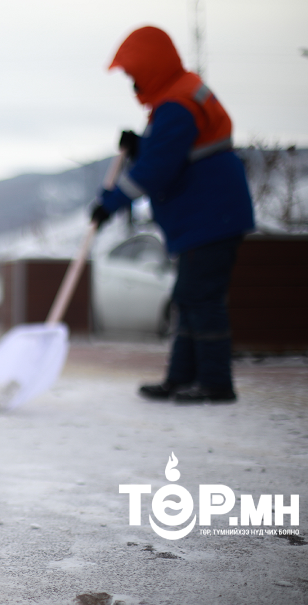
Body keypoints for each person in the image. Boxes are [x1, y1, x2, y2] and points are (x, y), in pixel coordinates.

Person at [91, 26, 255, 403]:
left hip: (211, 219)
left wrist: (110, 203)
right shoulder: (177, 95)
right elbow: (168, 154)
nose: (132, 85)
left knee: (201, 299)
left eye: (134, 76)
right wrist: (140, 146)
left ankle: (215, 384)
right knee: (189, 297)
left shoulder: (177, 106)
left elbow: (156, 170)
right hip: (207, 218)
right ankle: (180, 378)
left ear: (150, 69)